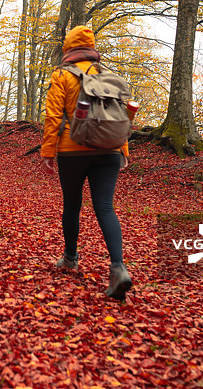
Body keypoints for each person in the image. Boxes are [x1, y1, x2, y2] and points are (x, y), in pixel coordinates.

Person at [41, 24, 133, 301]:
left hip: (73, 149)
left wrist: (48, 150)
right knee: (105, 207)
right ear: (92, 48)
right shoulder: (109, 75)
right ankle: (118, 267)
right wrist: (123, 149)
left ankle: (70, 257)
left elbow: (53, 116)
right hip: (109, 149)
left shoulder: (62, 76)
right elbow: (123, 116)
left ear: (68, 47)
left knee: (72, 204)